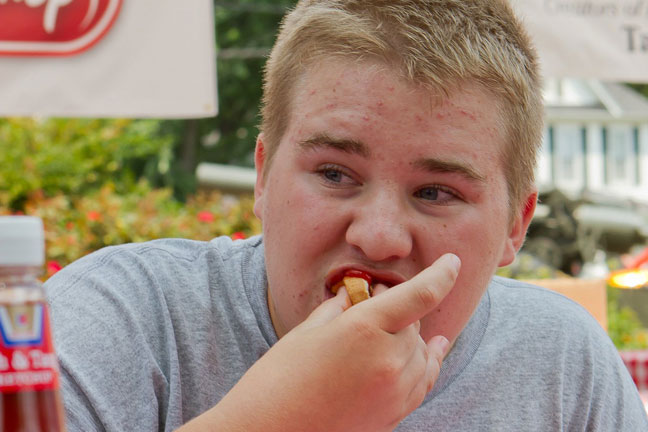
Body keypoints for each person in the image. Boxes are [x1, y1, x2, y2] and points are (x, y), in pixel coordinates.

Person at [44, 0, 648, 430]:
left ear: (516, 225)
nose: (379, 237)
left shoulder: (561, 366)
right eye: (334, 175)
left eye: (436, 192)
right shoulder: (115, 322)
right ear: (262, 177)